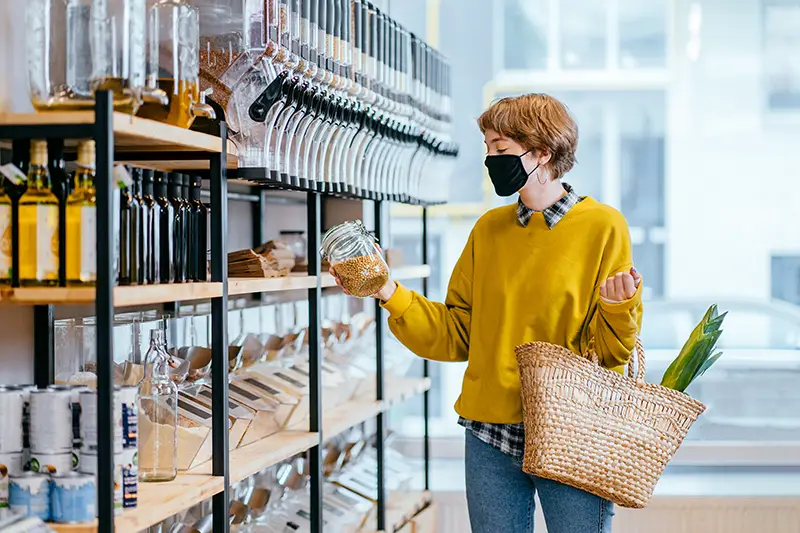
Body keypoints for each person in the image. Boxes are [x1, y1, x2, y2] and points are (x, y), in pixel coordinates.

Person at [333, 93, 642, 533]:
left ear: (541, 152)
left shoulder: (603, 227)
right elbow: (456, 334)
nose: (491, 160)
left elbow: (612, 356)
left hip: (571, 428)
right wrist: (388, 289)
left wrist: (618, 308)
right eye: (488, 150)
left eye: (501, 149)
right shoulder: (488, 230)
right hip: (489, 434)